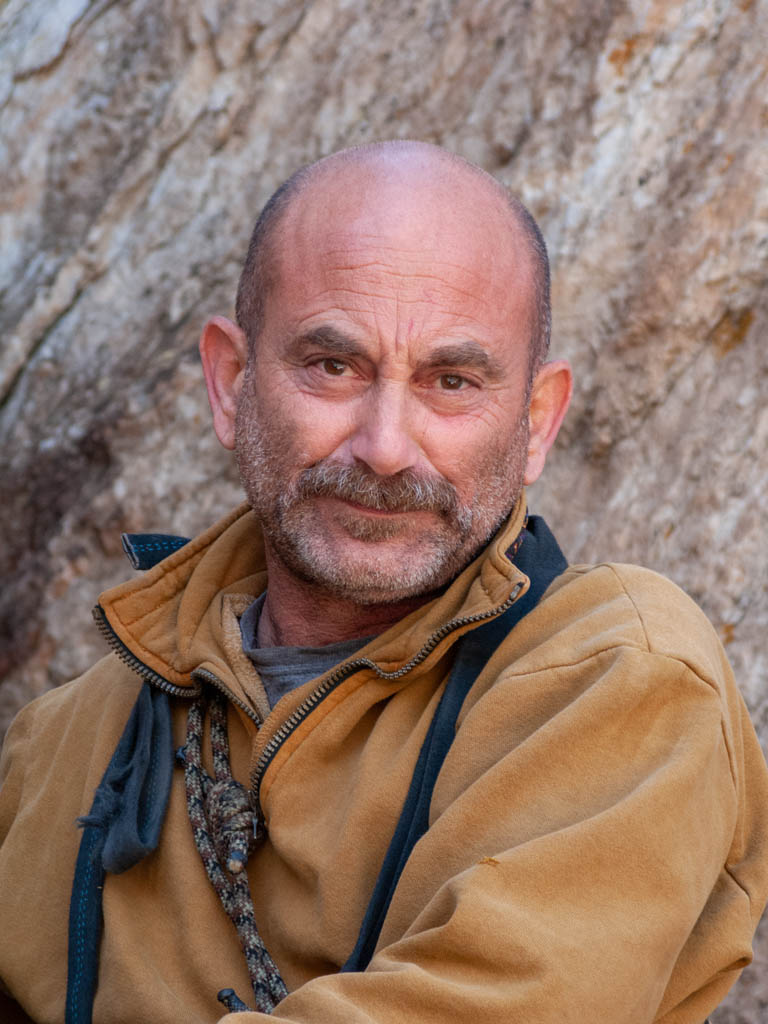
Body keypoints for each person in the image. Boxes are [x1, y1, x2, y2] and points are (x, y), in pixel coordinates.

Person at [1, 140, 766, 1024]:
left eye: (452, 381)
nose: (386, 447)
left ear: (536, 423)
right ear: (231, 383)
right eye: (334, 366)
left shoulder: (620, 678)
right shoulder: (64, 743)